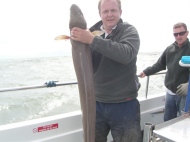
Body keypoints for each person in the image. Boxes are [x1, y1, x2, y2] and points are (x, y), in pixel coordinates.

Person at [70, 0, 141, 141]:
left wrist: (92, 41)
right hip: (96, 104)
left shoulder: (129, 31)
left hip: (124, 103)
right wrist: (76, 39)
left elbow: (126, 54)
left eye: (113, 10)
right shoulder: (90, 33)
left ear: (120, 12)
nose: (109, 15)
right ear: (100, 14)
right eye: (105, 11)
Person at [139, 22, 190, 122]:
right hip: (170, 93)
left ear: (187, 33)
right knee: (168, 121)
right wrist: (146, 72)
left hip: (185, 95)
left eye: (181, 33)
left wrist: (189, 85)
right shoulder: (169, 49)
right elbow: (160, 64)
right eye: (175, 34)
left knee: (184, 122)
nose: (178, 36)